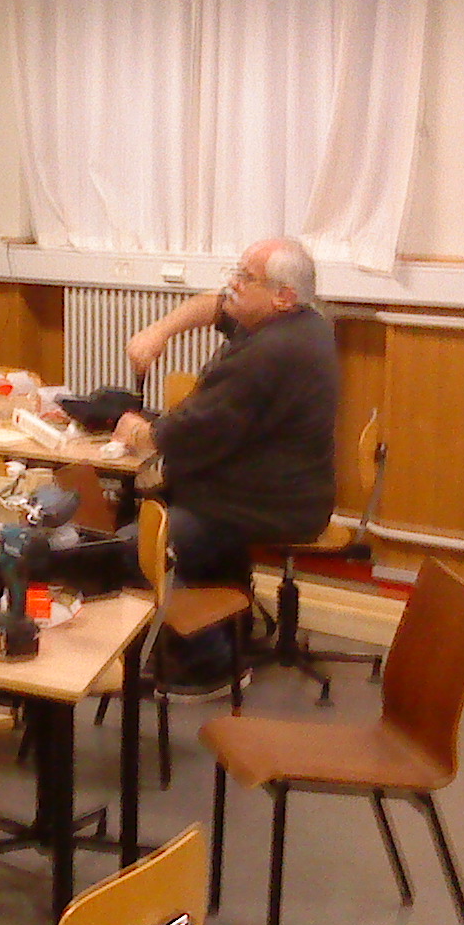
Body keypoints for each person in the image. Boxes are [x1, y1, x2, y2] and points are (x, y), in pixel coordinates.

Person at [111, 236, 338, 695]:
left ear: (283, 296)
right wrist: (160, 331)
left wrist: (137, 432)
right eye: (235, 272)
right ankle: (228, 632)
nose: (232, 284)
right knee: (167, 507)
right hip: (273, 491)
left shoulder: (271, 352)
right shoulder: (299, 321)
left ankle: (208, 664)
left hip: (267, 505)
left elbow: (185, 434)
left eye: (245, 278)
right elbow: (215, 305)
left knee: (134, 547)